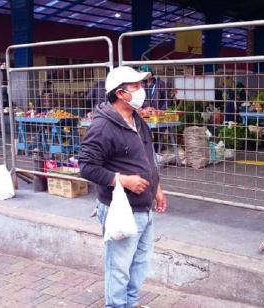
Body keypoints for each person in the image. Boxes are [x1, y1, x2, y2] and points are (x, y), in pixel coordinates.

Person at [78, 66, 167, 308]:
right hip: (121, 209)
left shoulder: (137, 120)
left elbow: (148, 156)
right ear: (120, 93)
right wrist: (122, 180)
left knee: (139, 264)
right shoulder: (102, 127)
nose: (142, 90)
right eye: (136, 86)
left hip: (143, 207)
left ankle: (130, 303)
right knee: (119, 267)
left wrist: (156, 188)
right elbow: (86, 167)